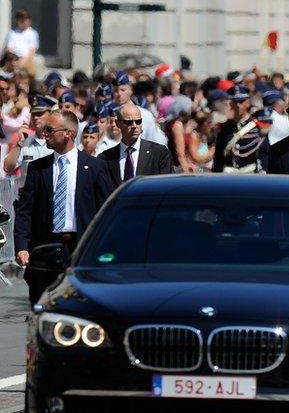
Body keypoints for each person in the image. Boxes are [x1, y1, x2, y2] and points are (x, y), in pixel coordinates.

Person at [13, 110, 112, 303]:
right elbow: (25, 211)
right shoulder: (38, 168)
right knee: (42, 305)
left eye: (50, 130)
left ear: (68, 133)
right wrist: (22, 247)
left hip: (80, 249)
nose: (44, 134)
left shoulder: (94, 167)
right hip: (45, 249)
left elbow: (105, 211)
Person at [98, 102, 173, 189]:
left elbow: (168, 186)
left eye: (138, 121)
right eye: (129, 122)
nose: (134, 126)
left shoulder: (159, 153)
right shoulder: (105, 158)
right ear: (118, 123)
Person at [212, 85, 261, 172]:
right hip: (230, 177)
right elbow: (219, 157)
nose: (238, 105)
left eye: (241, 102)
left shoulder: (257, 125)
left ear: (248, 102)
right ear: (231, 104)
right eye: (235, 102)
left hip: (251, 175)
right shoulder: (225, 127)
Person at [3, 94, 56, 175]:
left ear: (51, 115)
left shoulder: (57, 141)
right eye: (33, 114)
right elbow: (7, 168)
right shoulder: (25, 142)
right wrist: (19, 144)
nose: (35, 118)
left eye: (39, 114)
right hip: (29, 187)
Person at [111, 71, 167, 145]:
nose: (119, 94)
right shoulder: (110, 115)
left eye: (123, 90)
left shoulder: (144, 114)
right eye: (116, 90)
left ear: (130, 90)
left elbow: (158, 141)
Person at [3, 9, 39, 75]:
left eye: (26, 20)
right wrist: (14, 61)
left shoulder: (33, 33)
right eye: (21, 20)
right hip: (14, 59)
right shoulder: (12, 33)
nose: (24, 22)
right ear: (17, 21)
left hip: (27, 59)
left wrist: (23, 62)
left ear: (29, 21)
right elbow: (9, 49)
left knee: (31, 72)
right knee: (6, 73)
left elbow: (32, 50)